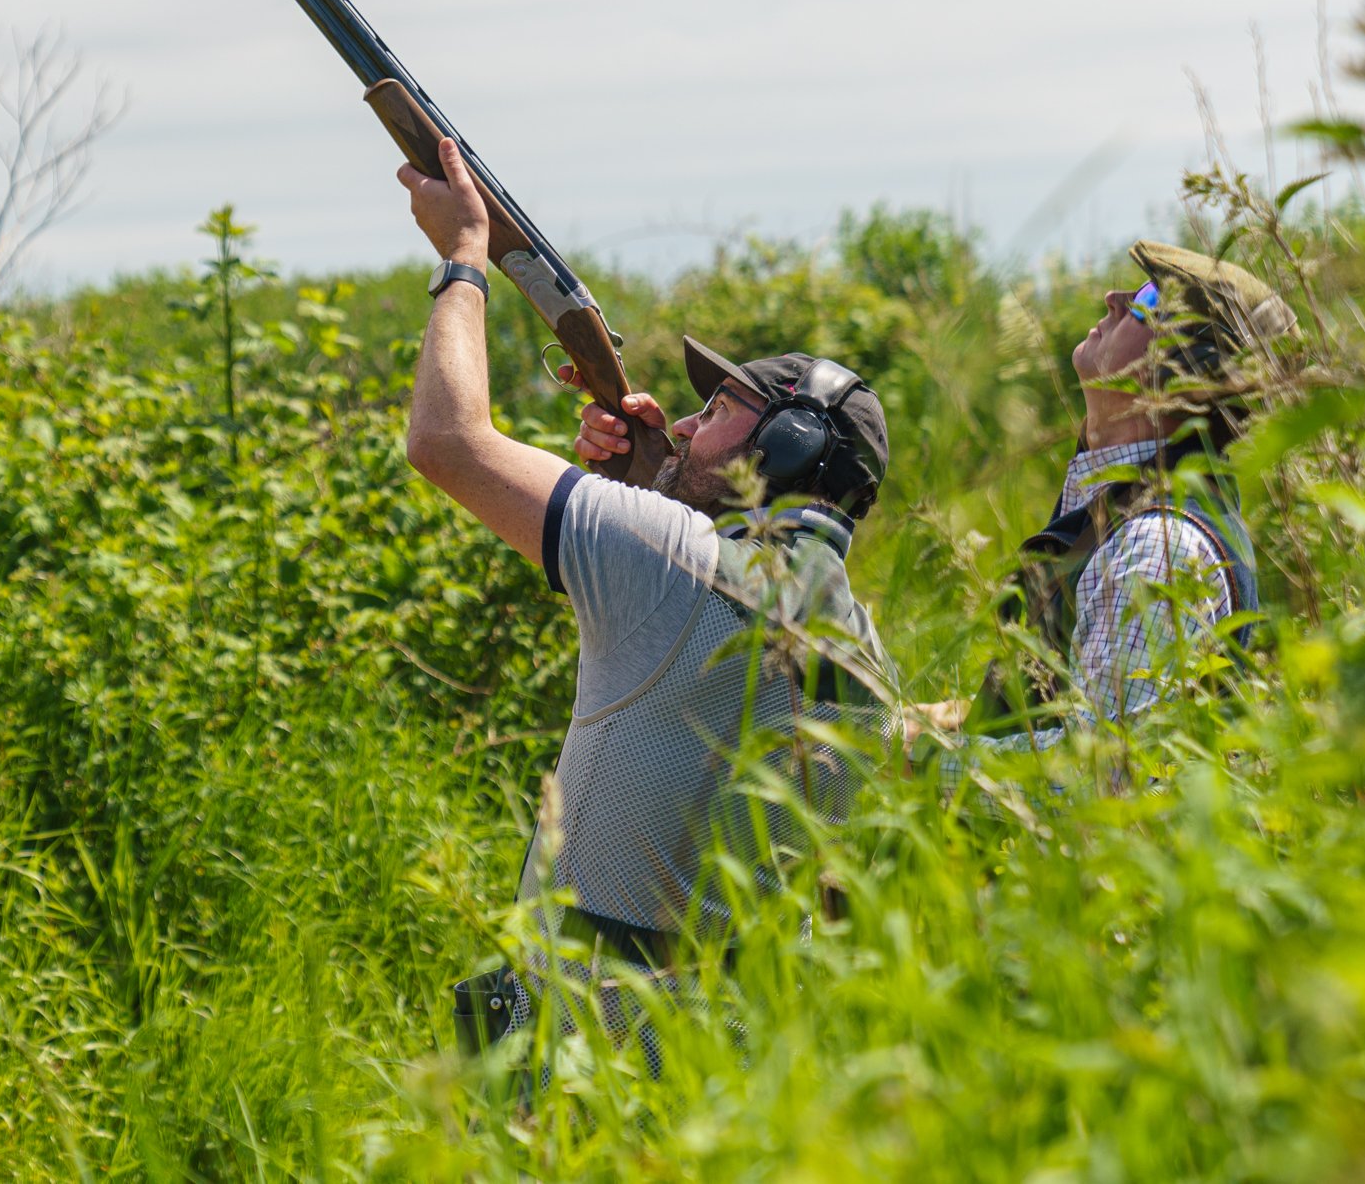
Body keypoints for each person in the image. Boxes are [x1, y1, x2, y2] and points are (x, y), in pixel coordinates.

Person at [395, 140, 896, 1056]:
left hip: (589, 1061)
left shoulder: (669, 557)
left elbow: (444, 441)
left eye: (723, 410)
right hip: (730, 1064)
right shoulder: (866, 654)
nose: (693, 422)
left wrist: (463, 257)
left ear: (783, 447)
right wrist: (654, 488)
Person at [908, 241, 1295, 760]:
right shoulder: (1125, 504)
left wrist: (916, 760)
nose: (1114, 297)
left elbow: (1107, 773)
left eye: (1150, 299)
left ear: (1188, 370)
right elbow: (1082, 704)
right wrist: (931, 721)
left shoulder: (1158, 546)